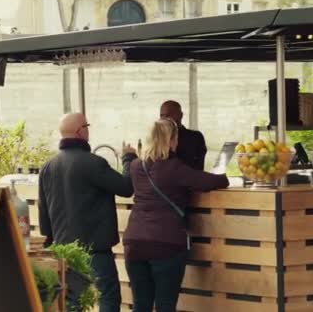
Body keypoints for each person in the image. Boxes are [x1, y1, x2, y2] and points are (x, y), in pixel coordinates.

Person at [123, 118, 229, 312]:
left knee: (141, 304)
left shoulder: (136, 166)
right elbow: (210, 182)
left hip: (134, 242)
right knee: (165, 305)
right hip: (166, 244)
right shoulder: (174, 167)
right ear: (171, 140)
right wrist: (224, 177)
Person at [38, 113, 136, 312]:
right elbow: (126, 188)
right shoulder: (94, 163)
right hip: (95, 251)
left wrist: (51, 242)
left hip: (66, 251)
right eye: (87, 126)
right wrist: (128, 158)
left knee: (72, 302)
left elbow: (43, 209)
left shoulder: (48, 167)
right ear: (80, 131)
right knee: (107, 296)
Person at [160, 100, 207, 170]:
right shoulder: (158, 138)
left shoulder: (195, 137)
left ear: (180, 115)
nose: (164, 119)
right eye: (162, 116)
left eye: (168, 115)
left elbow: (198, 167)